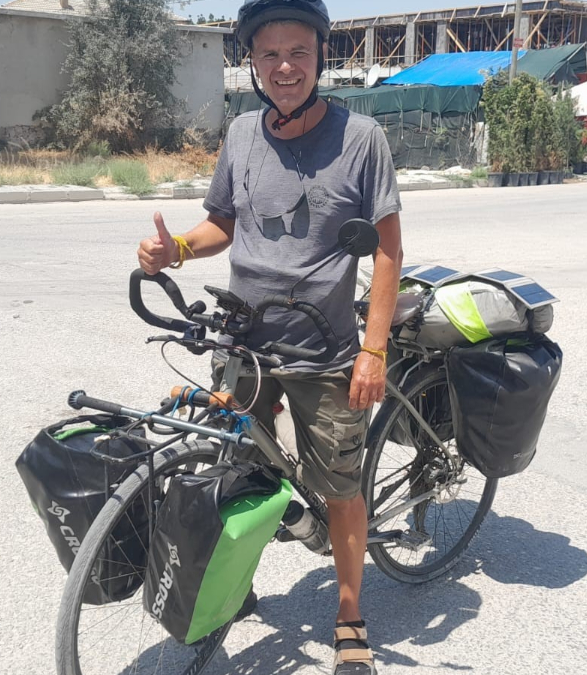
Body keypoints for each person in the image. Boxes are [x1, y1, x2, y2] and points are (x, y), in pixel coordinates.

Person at [136, 1, 402, 673]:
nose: (285, 67)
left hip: (325, 350)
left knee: (340, 486)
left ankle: (349, 615)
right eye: (270, 54)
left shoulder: (362, 138)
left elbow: (388, 252)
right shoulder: (242, 133)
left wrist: (373, 350)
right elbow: (223, 225)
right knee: (239, 464)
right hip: (244, 339)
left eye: (298, 52)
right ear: (252, 62)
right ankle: (237, 579)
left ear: (321, 56)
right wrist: (176, 251)